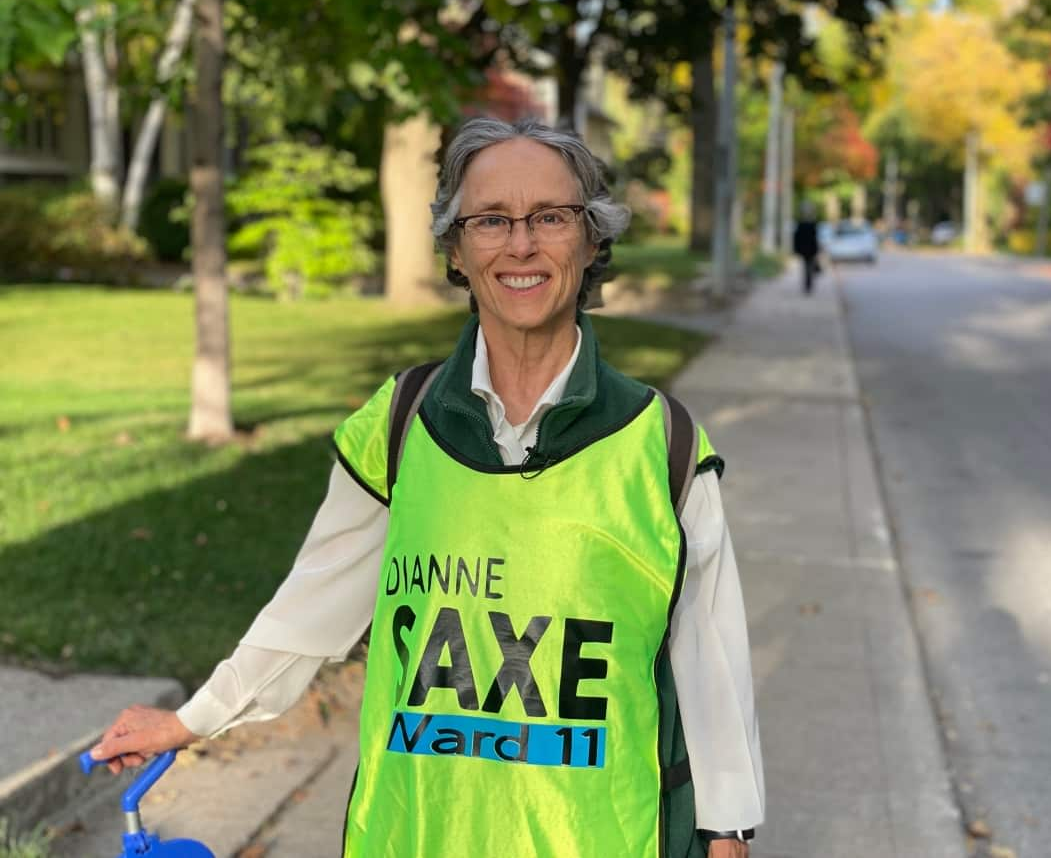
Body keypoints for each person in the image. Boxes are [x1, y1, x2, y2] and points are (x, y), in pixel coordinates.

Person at [90, 117, 764, 857]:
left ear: (593, 239)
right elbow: (309, 607)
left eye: (550, 216)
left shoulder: (661, 445)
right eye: (490, 220)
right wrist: (194, 716)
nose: (521, 244)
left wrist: (726, 830)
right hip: (412, 834)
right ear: (455, 247)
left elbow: (712, 661)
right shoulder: (400, 426)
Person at [792, 203, 821, 294]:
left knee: (806, 267)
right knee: (808, 267)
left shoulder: (803, 224)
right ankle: (808, 285)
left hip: (807, 249)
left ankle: (807, 285)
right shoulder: (811, 223)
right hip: (809, 249)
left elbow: (797, 238)